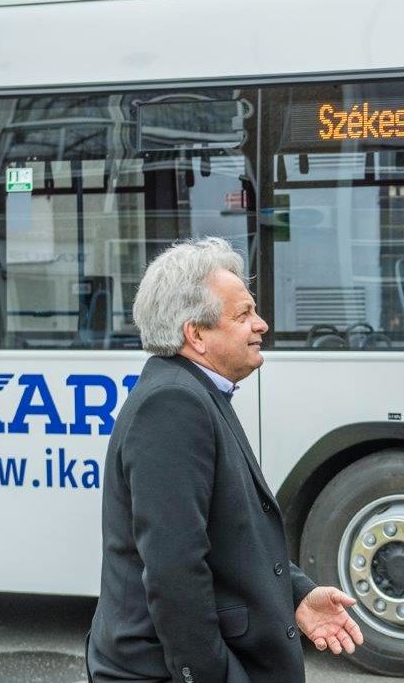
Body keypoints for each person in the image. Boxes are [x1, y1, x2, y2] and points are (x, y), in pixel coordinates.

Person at [86, 237, 362, 683]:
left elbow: (232, 536)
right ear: (196, 334)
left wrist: (296, 595)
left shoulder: (194, 391)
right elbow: (175, 570)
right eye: (243, 315)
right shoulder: (173, 403)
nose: (261, 324)